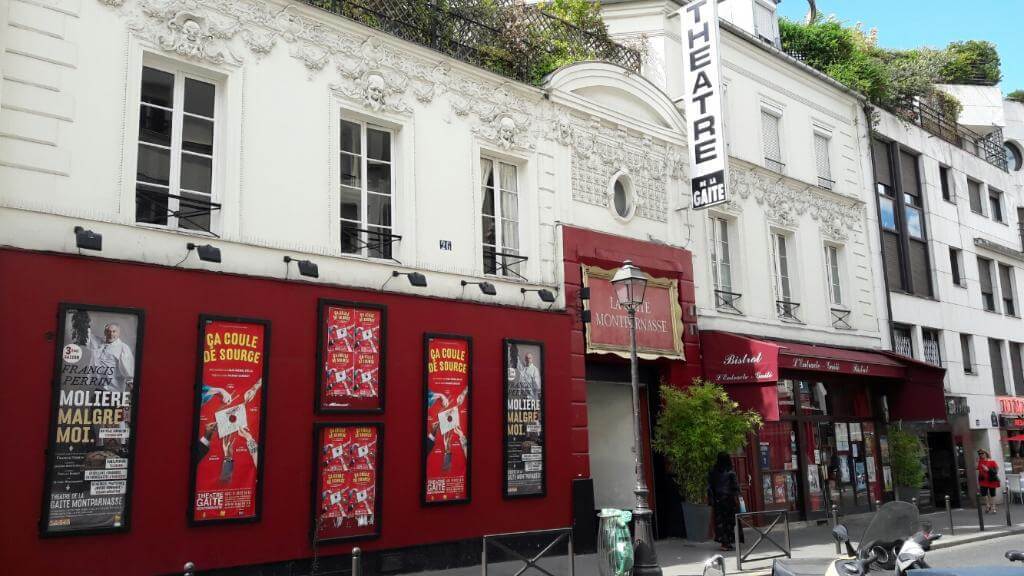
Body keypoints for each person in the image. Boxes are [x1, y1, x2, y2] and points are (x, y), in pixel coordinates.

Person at [708, 452, 741, 551]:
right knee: (730, 521)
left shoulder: (713, 472)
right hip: (729, 499)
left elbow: (710, 487)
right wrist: (737, 499)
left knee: (720, 521)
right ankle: (727, 543)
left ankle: (724, 542)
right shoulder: (730, 472)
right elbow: (735, 487)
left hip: (718, 500)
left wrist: (712, 500)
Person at [977, 448, 1000, 514]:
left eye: (982, 453)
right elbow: (978, 469)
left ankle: (993, 507)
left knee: (992, 494)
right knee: (984, 494)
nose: (981, 455)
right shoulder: (980, 462)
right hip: (983, 480)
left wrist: (988, 469)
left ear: (986, 454)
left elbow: (996, 471)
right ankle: (987, 506)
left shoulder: (992, 462)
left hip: (991, 480)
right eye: (980, 454)